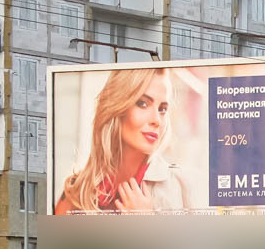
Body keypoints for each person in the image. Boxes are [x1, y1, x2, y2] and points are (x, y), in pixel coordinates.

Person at [53, 68, 191, 215]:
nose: (157, 120)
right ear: (117, 106)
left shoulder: (179, 186)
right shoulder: (76, 194)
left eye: (162, 109)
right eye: (143, 104)